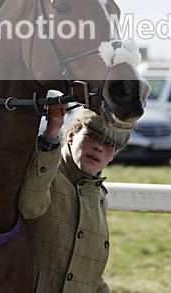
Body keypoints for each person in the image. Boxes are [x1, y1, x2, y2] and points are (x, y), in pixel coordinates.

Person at [18, 107, 131, 292]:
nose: (99, 147)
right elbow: (30, 207)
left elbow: (89, 275)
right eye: (92, 136)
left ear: (112, 156)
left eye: (109, 144)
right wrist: (51, 135)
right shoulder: (44, 173)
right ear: (71, 134)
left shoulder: (99, 198)